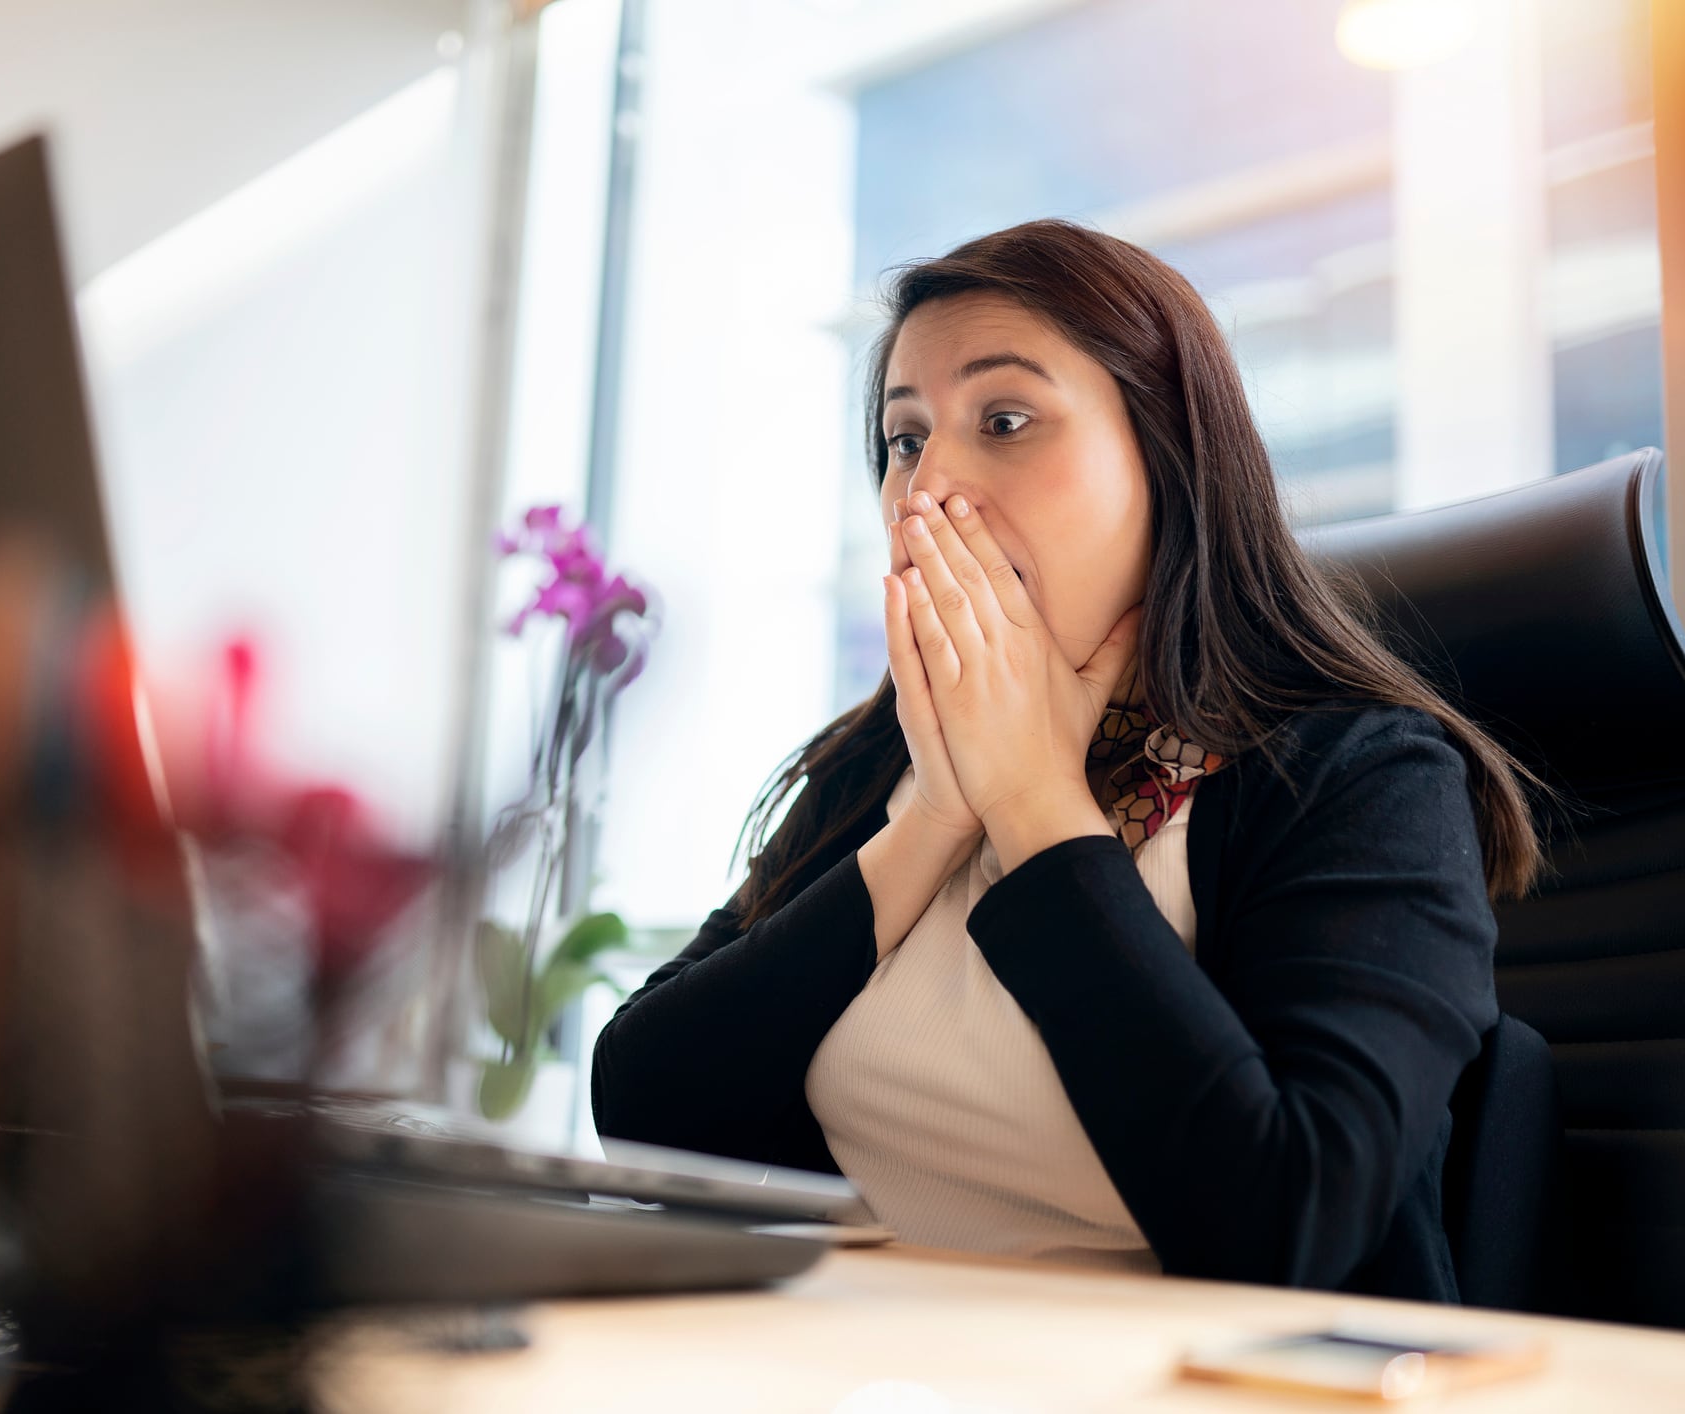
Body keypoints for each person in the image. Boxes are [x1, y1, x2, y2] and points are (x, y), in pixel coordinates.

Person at [589, 220, 1543, 1301]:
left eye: (1003, 420)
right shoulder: (881, 759)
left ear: (1166, 455)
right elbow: (644, 1109)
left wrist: (1033, 803)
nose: (927, 487)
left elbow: (1286, 1220)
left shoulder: (1358, 776)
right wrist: (936, 818)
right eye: (904, 439)